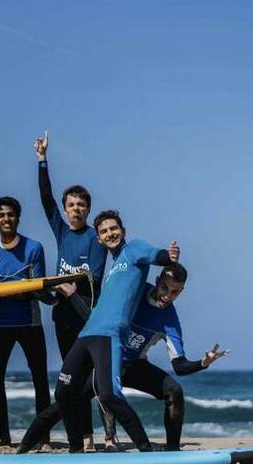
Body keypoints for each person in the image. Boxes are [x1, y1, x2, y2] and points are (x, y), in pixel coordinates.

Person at [16, 263, 230, 453]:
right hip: (106, 361)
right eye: (164, 288)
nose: (167, 296)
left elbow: (179, 366)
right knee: (66, 402)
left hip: (133, 365)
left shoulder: (169, 321)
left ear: (181, 292)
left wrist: (203, 363)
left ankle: (172, 450)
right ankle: (24, 447)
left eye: (174, 292)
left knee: (174, 391)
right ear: (157, 281)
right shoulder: (134, 292)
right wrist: (73, 295)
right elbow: (97, 314)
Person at [53, 210, 180, 453]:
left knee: (109, 395)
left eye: (113, 228)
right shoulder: (113, 268)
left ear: (123, 231)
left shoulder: (133, 249)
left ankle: (145, 450)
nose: (110, 233)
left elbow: (154, 254)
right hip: (88, 334)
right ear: (99, 239)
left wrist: (167, 256)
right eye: (104, 231)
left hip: (109, 337)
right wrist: (72, 295)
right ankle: (75, 450)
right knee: (64, 394)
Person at [33, 131, 107, 450]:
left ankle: (98, 437)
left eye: (81, 205)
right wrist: (42, 160)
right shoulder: (62, 231)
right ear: (65, 210)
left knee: (90, 380)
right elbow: (45, 199)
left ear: (88, 210)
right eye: (71, 205)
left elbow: (95, 278)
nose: (75, 209)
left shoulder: (95, 239)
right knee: (70, 377)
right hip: (62, 316)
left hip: (85, 315)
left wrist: (68, 286)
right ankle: (81, 438)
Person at [0, 196, 55, 448]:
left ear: (18, 218)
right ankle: (4, 438)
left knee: (40, 381)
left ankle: (43, 439)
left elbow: (38, 289)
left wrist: (18, 291)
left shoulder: (33, 248)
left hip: (30, 324)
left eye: (11, 214)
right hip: (1, 325)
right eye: (1, 215)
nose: (6, 219)